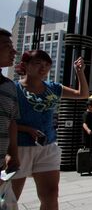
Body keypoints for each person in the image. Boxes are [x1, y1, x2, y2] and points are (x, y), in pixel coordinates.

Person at [12, 50, 89, 209]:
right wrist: (26, 129)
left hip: (47, 146)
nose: (43, 68)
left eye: (47, 65)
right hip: (18, 147)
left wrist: (79, 73)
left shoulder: (53, 88)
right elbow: (4, 119)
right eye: (37, 63)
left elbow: (82, 94)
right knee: (10, 197)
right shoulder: (13, 88)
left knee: (51, 194)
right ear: (25, 65)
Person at [0, 28, 21, 197]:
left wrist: (12, 153)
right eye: (7, 46)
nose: (14, 51)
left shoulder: (9, 86)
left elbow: (12, 121)